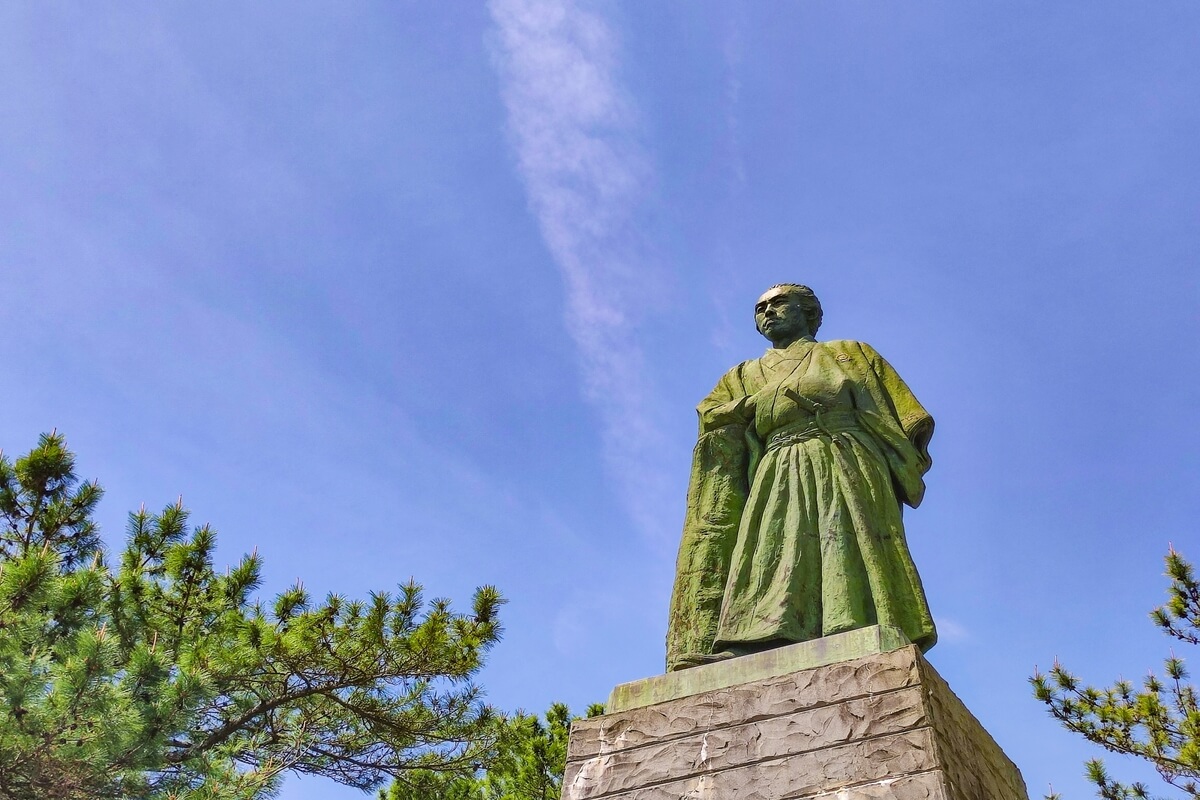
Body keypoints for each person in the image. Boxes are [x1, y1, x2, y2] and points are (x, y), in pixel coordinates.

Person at [666, 284, 936, 671]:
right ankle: (757, 637)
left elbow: (908, 419)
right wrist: (755, 403)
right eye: (760, 309)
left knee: (841, 536)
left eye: (779, 303)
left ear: (808, 312)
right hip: (777, 463)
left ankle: (853, 624)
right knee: (770, 547)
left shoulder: (849, 353)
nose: (768, 313)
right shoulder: (742, 375)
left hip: (844, 456)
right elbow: (711, 415)